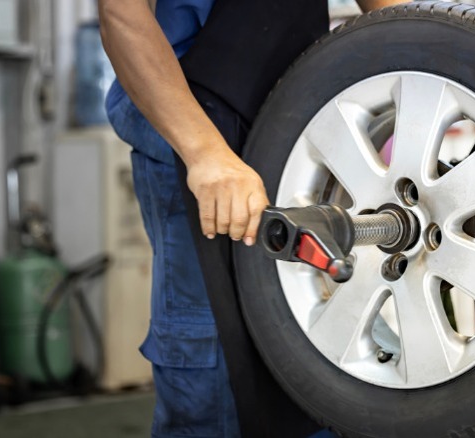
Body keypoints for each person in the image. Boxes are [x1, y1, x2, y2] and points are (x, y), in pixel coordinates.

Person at [98, 1, 406, 437]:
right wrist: (205, 154)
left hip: (299, 119)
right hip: (195, 126)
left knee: (318, 358)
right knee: (219, 369)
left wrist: (442, 58)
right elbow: (121, 15)